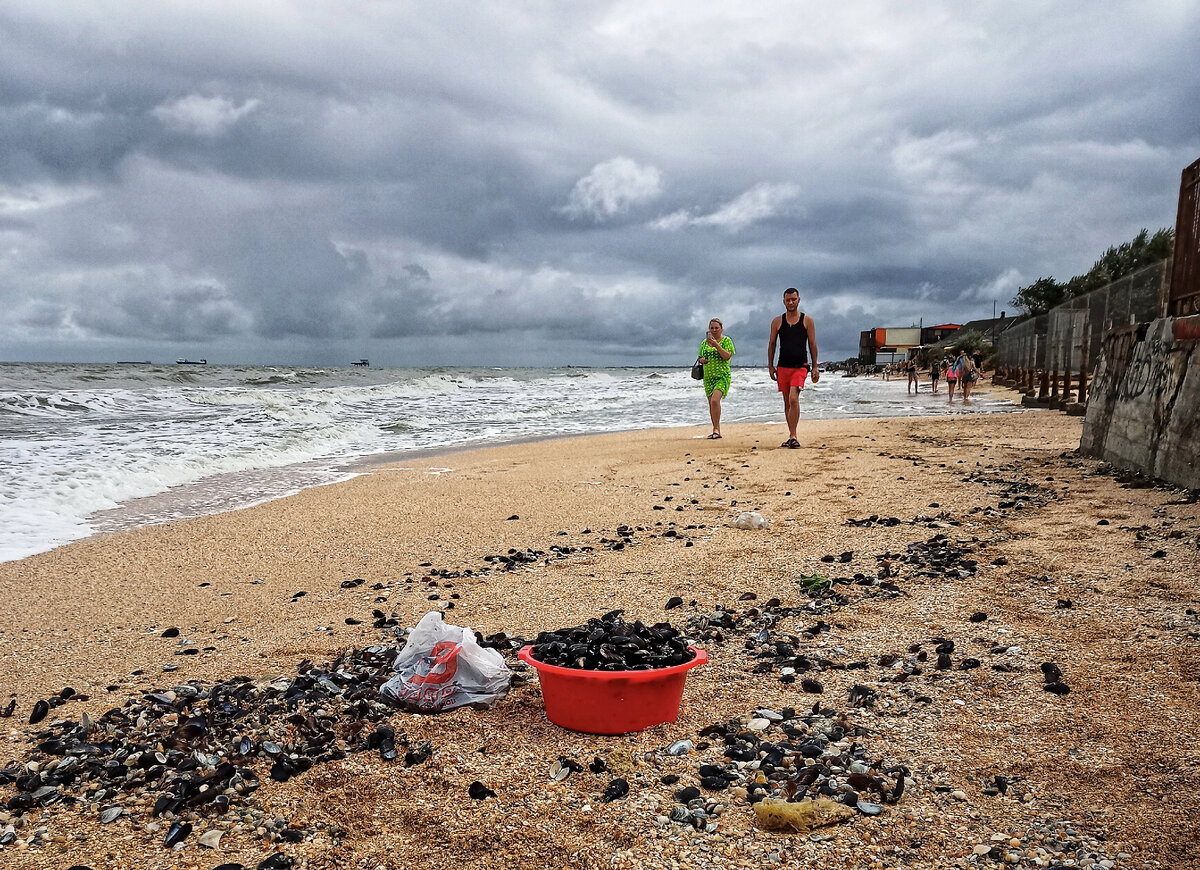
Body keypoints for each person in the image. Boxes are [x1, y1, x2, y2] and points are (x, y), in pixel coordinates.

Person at [767, 287, 819, 448]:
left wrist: (815, 366)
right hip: (783, 366)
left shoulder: (807, 320)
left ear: (798, 300)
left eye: (793, 299)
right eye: (788, 300)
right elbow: (772, 344)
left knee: (793, 399)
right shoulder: (777, 321)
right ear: (784, 301)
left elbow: (812, 344)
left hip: (800, 366)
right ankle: (791, 436)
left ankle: (793, 435)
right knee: (787, 403)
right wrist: (770, 366)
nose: (791, 302)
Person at [697, 318, 734, 439]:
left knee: (715, 400)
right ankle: (715, 429)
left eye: (716, 328)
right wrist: (702, 360)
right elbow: (700, 356)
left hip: (722, 376)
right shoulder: (704, 342)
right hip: (708, 378)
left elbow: (727, 356)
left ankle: (716, 429)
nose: (714, 330)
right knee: (711, 404)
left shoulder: (726, 340)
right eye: (712, 328)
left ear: (721, 328)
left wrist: (716, 345)